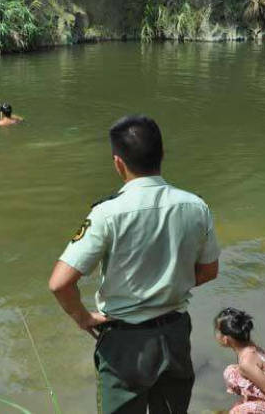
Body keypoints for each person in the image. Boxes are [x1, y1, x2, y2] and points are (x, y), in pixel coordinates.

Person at [48, 114, 220, 414]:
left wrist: (83, 318)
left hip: (124, 342)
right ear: (162, 155)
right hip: (175, 333)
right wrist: (169, 283)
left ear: (118, 162)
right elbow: (208, 271)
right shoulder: (196, 206)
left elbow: (60, 283)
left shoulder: (107, 214)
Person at [215, 308, 265, 414]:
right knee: (230, 372)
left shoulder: (246, 363)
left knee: (236, 411)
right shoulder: (249, 345)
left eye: (217, 331)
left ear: (225, 339)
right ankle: (254, 400)